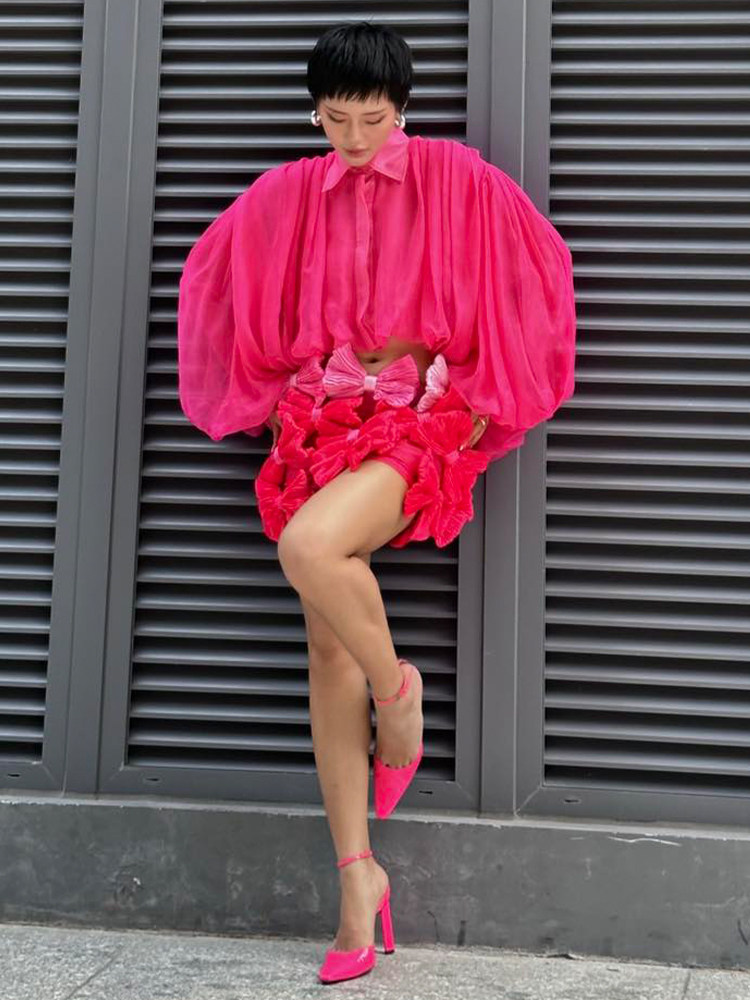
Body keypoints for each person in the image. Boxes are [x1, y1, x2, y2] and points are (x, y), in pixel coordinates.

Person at [176, 20, 577, 985]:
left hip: (417, 421)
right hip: (318, 419)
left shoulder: (457, 178)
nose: (354, 137)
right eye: (334, 118)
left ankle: (400, 702)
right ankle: (358, 880)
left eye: (372, 118)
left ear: (402, 107)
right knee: (325, 647)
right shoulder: (286, 193)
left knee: (311, 549)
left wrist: (475, 396)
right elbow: (213, 277)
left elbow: (537, 273)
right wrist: (280, 375)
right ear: (315, 112)